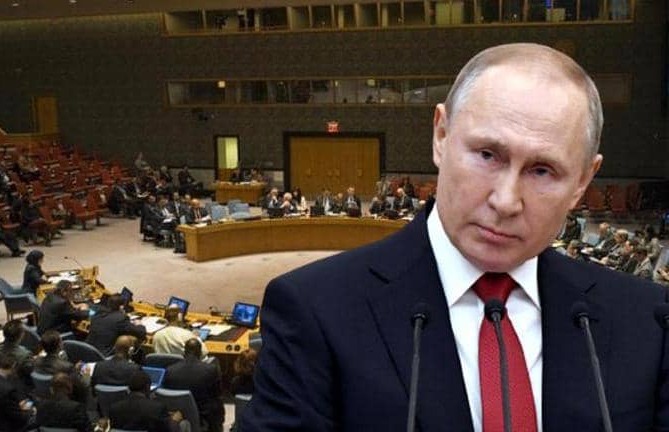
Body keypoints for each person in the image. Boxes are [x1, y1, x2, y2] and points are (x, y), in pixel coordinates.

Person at [240, 43, 669, 431]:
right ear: (441, 136)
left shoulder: (650, 321)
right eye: (487, 155)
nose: (506, 201)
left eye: (542, 171)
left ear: (582, 181)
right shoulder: (316, 310)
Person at [164, 339, 224, 432]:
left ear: (184, 352)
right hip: (203, 415)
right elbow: (217, 394)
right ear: (200, 353)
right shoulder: (211, 369)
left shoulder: (170, 370)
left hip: (178, 416)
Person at [109, 369, 183, 432]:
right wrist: (175, 421)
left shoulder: (114, 409)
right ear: (147, 387)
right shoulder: (157, 408)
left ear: (129, 387)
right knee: (184, 424)